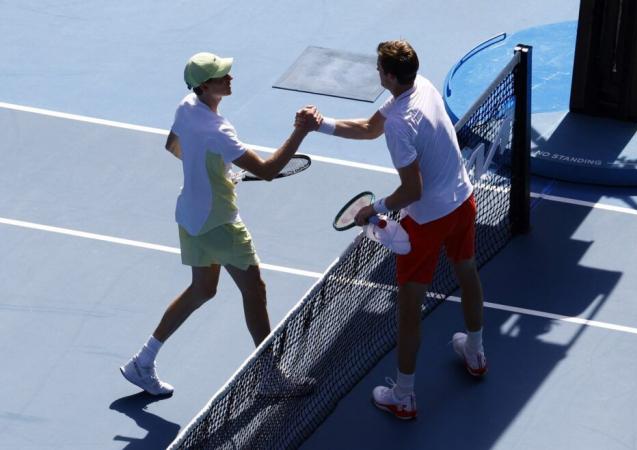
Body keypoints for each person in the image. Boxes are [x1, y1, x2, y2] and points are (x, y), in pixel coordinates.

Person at [296, 40, 487, 419]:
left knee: (409, 312)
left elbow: (412, 190)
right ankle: (476, 352)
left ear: (388, 76)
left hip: (428, 219)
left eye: (379, 68)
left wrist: (374, 209)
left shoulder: (400, 125)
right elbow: (369, 128)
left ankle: (403, 395)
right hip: (462, 201)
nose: (376, 72)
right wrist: (321, 125)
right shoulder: (424, 86)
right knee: (467, 270)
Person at [120, 52, 320, 396]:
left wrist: (214, 171)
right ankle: (269, 377)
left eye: (227, 72)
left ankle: (143, 361)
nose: (230, 78)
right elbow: (268, 171)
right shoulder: (218, 131)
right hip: (219, 222)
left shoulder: (186, 107)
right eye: (221, 75)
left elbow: (174, 146)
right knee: (255, 291)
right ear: (204, 85)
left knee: (202, 289)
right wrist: (301, 130)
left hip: (190, 216)